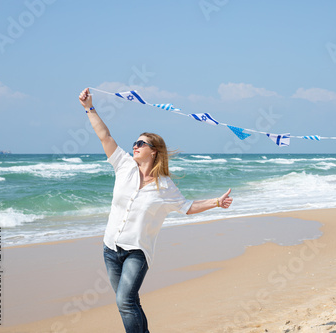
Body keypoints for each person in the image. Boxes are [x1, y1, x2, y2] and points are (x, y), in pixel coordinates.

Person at [78, 88, 233, 333]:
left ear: (154, 151)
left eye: (141, 143)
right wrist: (89, 107)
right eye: (135, 142)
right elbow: (105, 137)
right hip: (110, 248)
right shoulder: (123, 166)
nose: (135, 146)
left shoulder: (165, 186)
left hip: (137, 253)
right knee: (129, 302)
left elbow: (187, 207)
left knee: (124, 300)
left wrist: (216, 202)